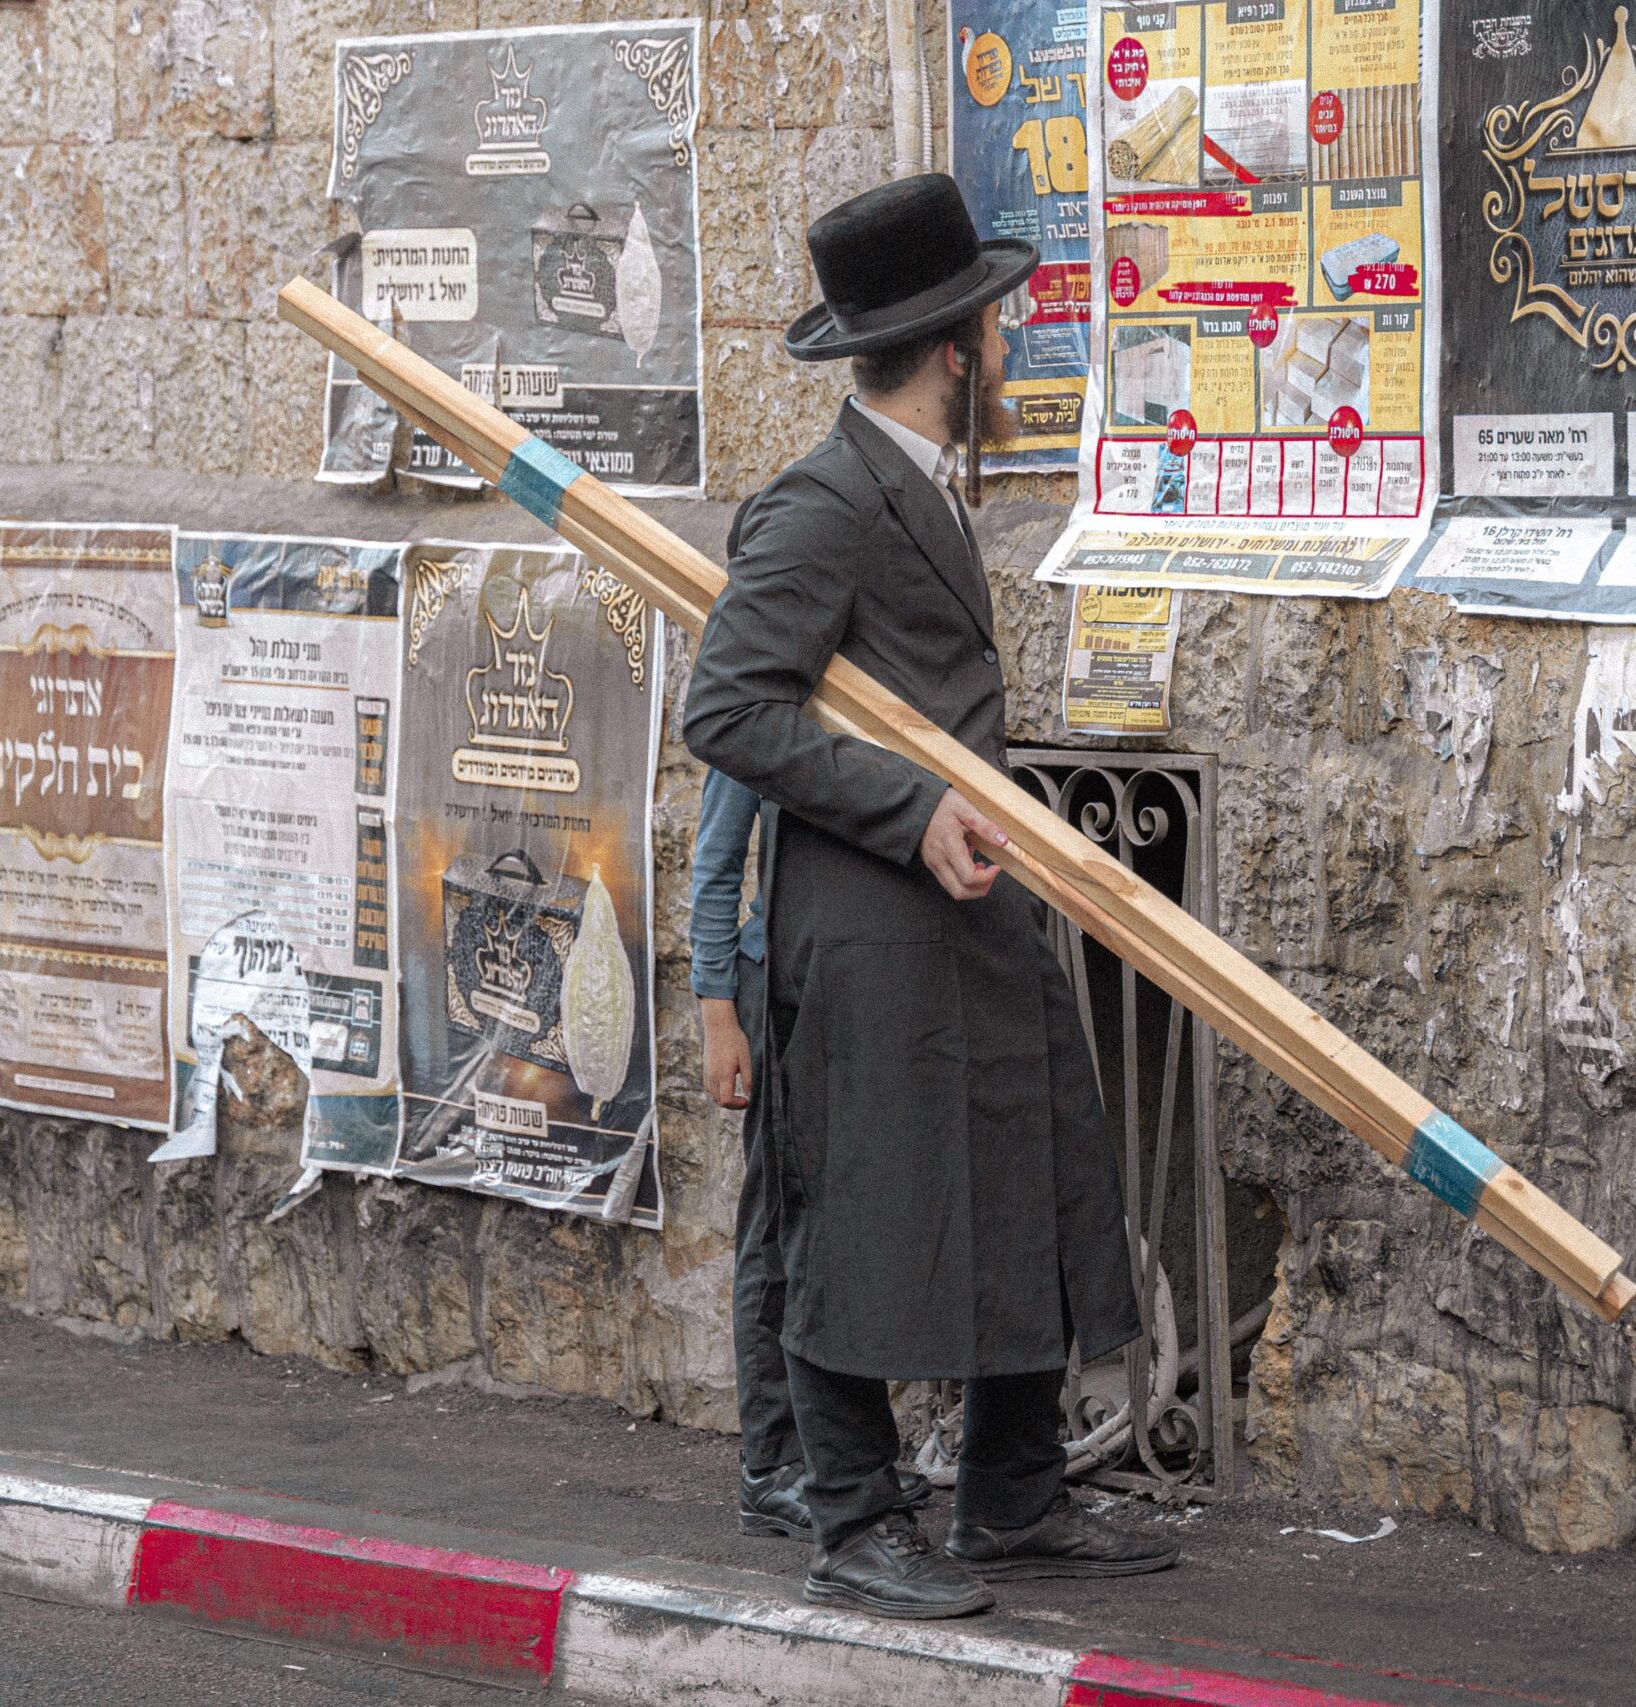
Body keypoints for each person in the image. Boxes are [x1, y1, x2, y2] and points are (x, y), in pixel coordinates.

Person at [682, 173, 1177, 1620]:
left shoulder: (917, 489)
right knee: (862, 1216)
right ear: (960, 345)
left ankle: (1010, 1494)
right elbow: (728, 709)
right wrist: (910, 814)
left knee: (1024, 1171)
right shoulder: (825, 504)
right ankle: (852, 1512)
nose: (1007, 350)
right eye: (998, 329)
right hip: (871, 931)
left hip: (965, 917)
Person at [688, 765, 928, 1537]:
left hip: (844, 978)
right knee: (777, 1222)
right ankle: (773, 1467)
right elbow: (717, 858)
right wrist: (719, 1017)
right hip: (772, 980)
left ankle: (838, 1458)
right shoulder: (764, 670)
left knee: (831, 1225)